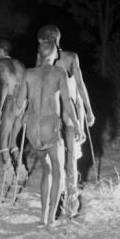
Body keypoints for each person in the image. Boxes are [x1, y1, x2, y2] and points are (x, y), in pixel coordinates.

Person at [16, 41, 84, 226]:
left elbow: (19, 104)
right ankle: (51, 220)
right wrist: (77, 124)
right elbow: (67, 103)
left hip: (32, 130)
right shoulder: (58, 73)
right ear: (54, 56)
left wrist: (22, 113)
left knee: (46, 171)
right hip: (50, 129)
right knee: (57, 172)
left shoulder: (28, 73)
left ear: (39, 54)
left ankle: (42, 216)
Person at [37, 25, 95, 217]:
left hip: (55, 112)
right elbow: (80, 84)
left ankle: (61, 203)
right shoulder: (70, 57)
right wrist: (88, 109)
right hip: (66, 111)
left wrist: (87, 109)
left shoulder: (42, 58)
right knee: (69, 157)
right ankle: (69, 202)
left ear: (43, 41)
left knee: (56, 158)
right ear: (58, 39)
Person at [0, 38, 27, 182]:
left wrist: (0, 109)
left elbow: (6, 85)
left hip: (11, 101)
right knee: (13, 142)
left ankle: (9, 172)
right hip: (24, 102)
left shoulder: (0, 63)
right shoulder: (19, 63)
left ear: (1, 50)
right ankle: (21, 169)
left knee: (3, 140)